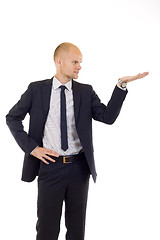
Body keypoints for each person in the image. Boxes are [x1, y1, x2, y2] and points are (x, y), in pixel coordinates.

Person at [6, 42, 149, 240]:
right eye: (75, 62)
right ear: (59, 62)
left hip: (79, 169)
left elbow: (107, 117)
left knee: (76, 231)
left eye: (80, 62)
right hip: (50, 167)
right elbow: (12, 118)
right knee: (47, 230)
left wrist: (120, 85)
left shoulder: (85, 91)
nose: (79, 66)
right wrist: (33, 149)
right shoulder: (36, 89)